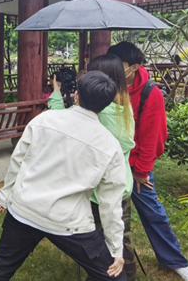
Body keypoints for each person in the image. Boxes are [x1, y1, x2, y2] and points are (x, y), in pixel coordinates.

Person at [0, 71, 127, 281]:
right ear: (106, 105)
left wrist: (5, 195)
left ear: (77, 94)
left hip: (25, 208)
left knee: (2, 264)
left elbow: (18, 160)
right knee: (113, 276)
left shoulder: (45, 119)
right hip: (69, 222)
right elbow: (111, 202)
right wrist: (116, 249)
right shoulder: (110, 145)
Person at [108, 42, 188, 281]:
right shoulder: (110, 85)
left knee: (152, 213)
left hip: (134, 166)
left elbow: (152, 137)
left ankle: (174, 260)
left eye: (119, 66)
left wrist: (141, 170)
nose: (114, 70)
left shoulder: (150, 93)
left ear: (134, 67)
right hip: (109, 162)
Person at [49, 54, 137, 281]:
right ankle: (128, 273)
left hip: (97, 187)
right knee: (121, 234)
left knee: (96, 236)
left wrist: (57, 92)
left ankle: (103, 274)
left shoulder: (98, 114)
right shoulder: (124, 108)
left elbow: (60, 118)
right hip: (122, 185)